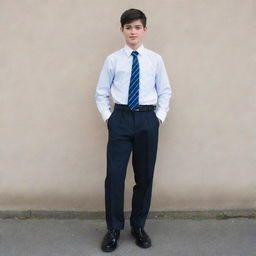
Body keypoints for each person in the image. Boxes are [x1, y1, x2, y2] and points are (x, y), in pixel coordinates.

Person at [95, 8, 172, 252]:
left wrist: (158, 117)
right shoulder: (113, 60)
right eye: (128, 27)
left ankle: (138, 226)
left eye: (137, 27)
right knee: (115, 177)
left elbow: (165, 91)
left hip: (147, 120)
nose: (133, 31)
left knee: (145, 176)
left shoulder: (155, 60)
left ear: (144, 30)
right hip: (121, 119)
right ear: (122, 30)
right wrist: (110, 118)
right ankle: (114, 229)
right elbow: (100, 93)